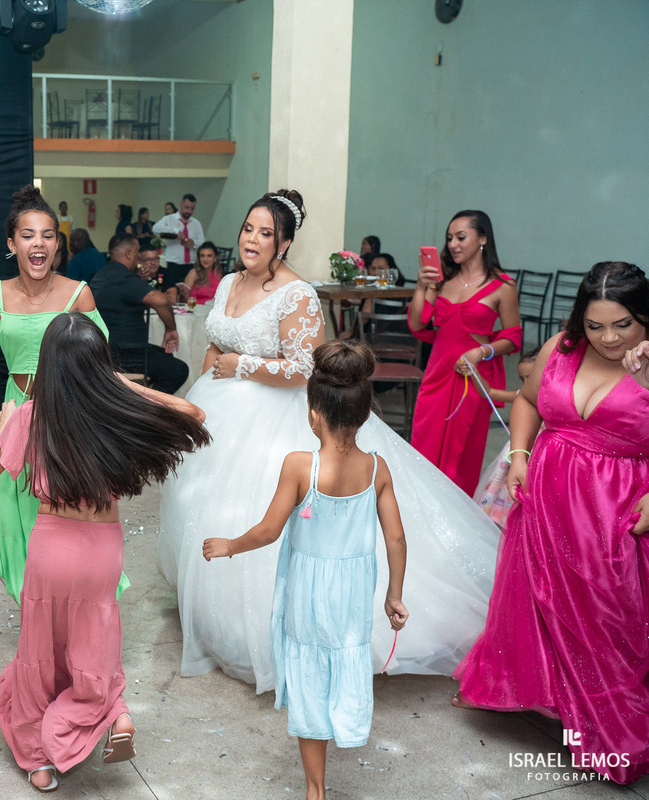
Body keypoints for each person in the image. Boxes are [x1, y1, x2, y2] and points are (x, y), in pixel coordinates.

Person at [158, 190, 502, 694]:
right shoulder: (230, 280)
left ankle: (267, 629)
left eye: (265, 233)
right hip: (220, 406)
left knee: (260, 509)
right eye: (248, 229)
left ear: (285, 242)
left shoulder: (297, 294)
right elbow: (221, 332)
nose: (252, 240)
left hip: (274, 416)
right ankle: (211, 611)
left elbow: (306, 368)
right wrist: (217, 353)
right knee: (205, 504)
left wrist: (242, 365)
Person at [0, 312, 210, 792]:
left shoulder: (29, 416)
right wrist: (121, 385)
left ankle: (38, 762)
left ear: (47, 366)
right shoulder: (114, 413)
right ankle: (110, 714)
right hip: (101, 553)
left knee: (40, 648)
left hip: (50, 549)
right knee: (94, 642)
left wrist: (3, 425)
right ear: (99, 366)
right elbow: (194, 415)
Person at [453, 262, 649, 785]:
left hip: (615, 510)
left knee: (610, 621)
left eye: (623, 324)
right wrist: (519, 454)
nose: (608, 338)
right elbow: (526, 401)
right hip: (545, 499)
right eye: (596, 325)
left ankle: (614, 732)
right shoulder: (562, 347)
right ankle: (566, 712)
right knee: (544, 608)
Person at [204, 341, 409, 800]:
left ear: (314, 412)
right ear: (363, 414)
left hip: (307, 594)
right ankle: (345, 721)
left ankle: (315, 790)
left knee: (310, 675)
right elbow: (396, 539)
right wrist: (394, 595)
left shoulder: (301, 466)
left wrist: (229, 546)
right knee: (344, 657)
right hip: (352, 595)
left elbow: (269, 530)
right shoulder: (377, 469)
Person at [0, 184, 127, 605]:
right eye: (27, 235)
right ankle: (34, 604)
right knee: (17, 511)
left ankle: (76, 600)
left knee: (64, 508)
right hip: (17, 407)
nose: (38, 243)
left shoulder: (78, 293)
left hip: (68, 413)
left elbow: (100, 361)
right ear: (11, 244)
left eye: (47, 235)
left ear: (57, 243)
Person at [408, 210, 522, 494]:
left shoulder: (503, 286)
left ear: (483, 238)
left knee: (461, 455)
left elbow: (512, 337)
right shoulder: (443, 280)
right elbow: (418, 323)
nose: (453, 245)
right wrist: (423, 286)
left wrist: (481, 352)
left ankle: (453, 526)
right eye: (449, 239)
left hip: (471, 379)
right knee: (424, 447)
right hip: (436, 376)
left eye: (461, 237)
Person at [90, 235, 188, 395]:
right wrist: (171, 329)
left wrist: (139, 279)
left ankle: (138, 401)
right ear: (129, 254)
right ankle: (144, 407)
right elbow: (161, 301)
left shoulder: (101, 275)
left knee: (165, 357)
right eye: (137, 252)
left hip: (106, 349)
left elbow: (121, 295)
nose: (139, 257)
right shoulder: (124, 278)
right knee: (179, 370)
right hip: (127, 354)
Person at [471, 348, 539, 528]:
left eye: (530, 378)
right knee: (506, 500)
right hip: (515, 458)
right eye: (522, 379)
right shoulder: (523, 395)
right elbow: (490, 393)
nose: (525, 384)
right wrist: (474, 372)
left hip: (539, 458)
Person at [153, 193, 204, 289]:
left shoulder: (196, 223)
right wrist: (175, 231)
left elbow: (201, 240)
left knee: (188, 291)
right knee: (173, 290)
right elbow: (155, 229)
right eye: (187, 207)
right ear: (181, 204)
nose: (189, 211)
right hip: (173, 264)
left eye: (192, 208)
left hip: (190, 265)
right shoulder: (169, 219)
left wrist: (194, 243)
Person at [183, 241, 223, 305]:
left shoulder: (218, 274)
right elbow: (184, 298)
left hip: (212, 309)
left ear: (215, 258)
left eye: (209, 256)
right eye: (202, 256)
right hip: (195, 309)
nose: (205, 259)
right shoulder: (194, 273)